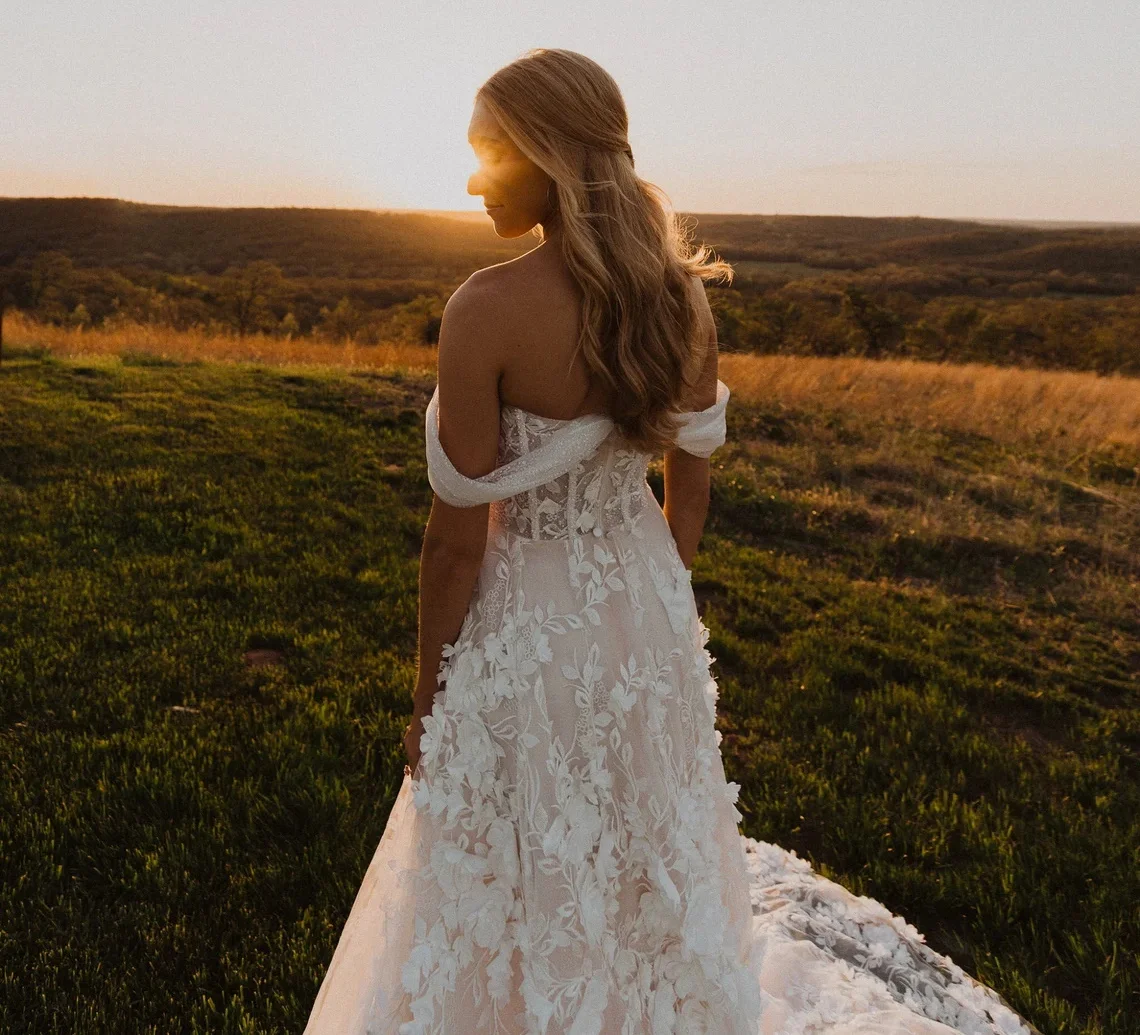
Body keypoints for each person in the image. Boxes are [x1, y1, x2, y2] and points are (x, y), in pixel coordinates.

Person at [302, 48, 1037, 1035]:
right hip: (642, 615)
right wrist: (647, 584)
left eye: (488, 155)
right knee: (641, 850)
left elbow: (455, 544)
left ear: (548, 157)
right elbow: (690, 484)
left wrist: (429, 704)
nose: (472, 181)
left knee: (513, 862)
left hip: (532, 625)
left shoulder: (484, 310)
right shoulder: (682, 301)